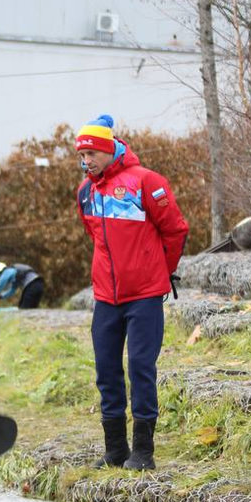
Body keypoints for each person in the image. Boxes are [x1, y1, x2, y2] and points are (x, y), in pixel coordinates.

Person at [74, 114, 188, 471]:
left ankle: (143, 452)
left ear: (110, 150)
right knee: (106, 371)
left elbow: (175, 230)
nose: (87, 160)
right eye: (82, 154)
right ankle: (115, 450)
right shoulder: (86, 191)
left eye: (93, 152)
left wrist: (160, 272)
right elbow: (96, 237)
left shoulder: (146, 182)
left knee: (140, 367)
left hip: (145, 295)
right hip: (106, 298)